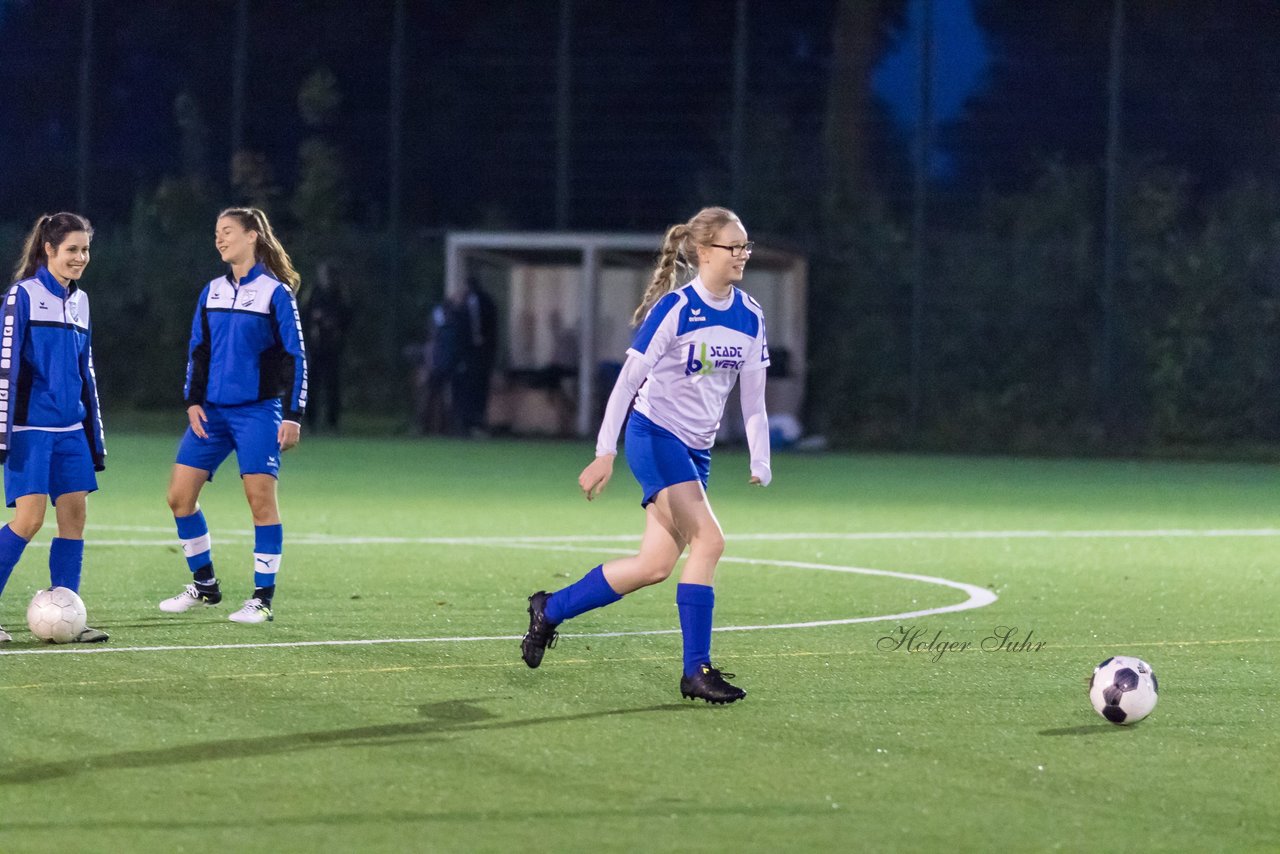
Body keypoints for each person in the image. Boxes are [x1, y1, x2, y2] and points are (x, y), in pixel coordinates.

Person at [521, 207, 771, 704]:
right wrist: (604, 452)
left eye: (746, 246)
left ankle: (549, 609)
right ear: (703, 252)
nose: (742, 255)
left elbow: (755, 399)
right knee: (710, 542)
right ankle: (695, 671)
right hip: (654, 435)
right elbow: (628, 382)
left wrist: (760, 458)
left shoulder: (751, 315)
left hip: (695, 451)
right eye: (733, 246)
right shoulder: (677, 309)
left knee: (654, 566)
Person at [158, 207, 308, 624]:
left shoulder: (276, 293)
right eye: (216, 232)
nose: (219, 239)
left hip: (258, 413)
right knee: (179, 497)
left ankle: (262, 599)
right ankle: (205, 584)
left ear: (252, 236)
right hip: (212, 414)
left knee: (260, 502)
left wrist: (293, 414)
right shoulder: (211, 291)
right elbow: (198, 350)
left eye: (227, 232)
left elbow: (296, 357)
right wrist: (192, 401)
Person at [0, 212, 108, 643]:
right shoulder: (21, 297)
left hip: (71, 431)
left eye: (85, 250)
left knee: (74, 519)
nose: (80, 258)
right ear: (48, 250)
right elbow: (4, 367)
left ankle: (70, 614)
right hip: (30, 430)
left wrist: (92, 433)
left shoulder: (81, 302)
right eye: (72, 250)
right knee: (28, 521)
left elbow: (87, 372)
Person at [302, 261, 351, 432]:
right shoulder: (313, 293)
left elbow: (347, 318)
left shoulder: (339, 295)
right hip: (315, 347)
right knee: (312, 385)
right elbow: (304, 316)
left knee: (333, 385)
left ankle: (332, 422)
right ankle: (310, 421)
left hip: (333, 348)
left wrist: (334, 325)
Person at [452, 277, 498, 436]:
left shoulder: (482, 303)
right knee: (470, 388)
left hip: (479, 353)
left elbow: (489, 329)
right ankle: (468, 423)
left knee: (476, 388)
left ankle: (474, 422)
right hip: (472, 354)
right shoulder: (464, 305)